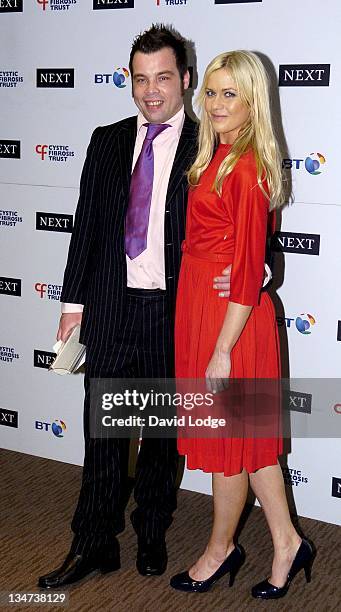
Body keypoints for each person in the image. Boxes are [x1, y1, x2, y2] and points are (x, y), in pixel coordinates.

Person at [37, 25, 234, 589]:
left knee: (160, 435)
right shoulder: (105, 141)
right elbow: (86, 232)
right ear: (130, 81)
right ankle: (92, 543)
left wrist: (251, 271)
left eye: (164, 78)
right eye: (141, 79)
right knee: (103, 432)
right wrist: (72, 305)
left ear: (186, 81)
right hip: (108, 306)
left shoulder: (212, 146)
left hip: (173, 313)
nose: (152, 92)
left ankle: (151, 531)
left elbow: (241, 231)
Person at [170, 51, 314, 599]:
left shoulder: (248, 164)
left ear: (254, 101)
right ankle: (284, 542)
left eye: (231, 93)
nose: (216, 103)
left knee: (236, 441)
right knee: (243, 442)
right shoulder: (215, 156)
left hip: (233, 324)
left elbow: (250, 267)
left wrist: (223, 348)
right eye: (211, 92)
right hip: (204, 309)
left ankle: (223, 549)